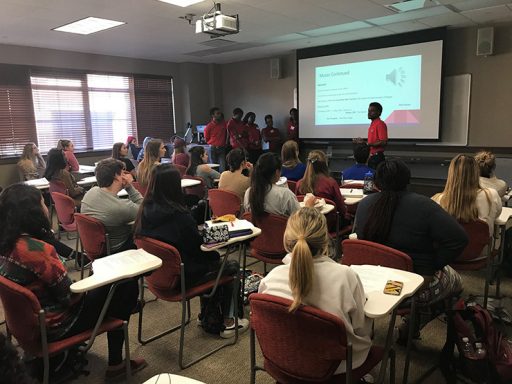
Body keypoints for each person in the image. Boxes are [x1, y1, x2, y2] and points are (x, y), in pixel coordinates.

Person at [0, 184, 146, 380]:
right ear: (32, 212)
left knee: (113, 289)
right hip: (58, 324)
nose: (46, 207)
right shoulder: (37, 251)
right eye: (43, 203)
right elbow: (70, 298)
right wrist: (94, 286)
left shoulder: (7, 244)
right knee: (123, 285)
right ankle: (116, 364)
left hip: (28, 323)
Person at [355, 159, 468, 337]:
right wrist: (434, 264)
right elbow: (459, 239)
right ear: (408, 181)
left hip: (373, 284)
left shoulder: (364, 205)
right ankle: (410, 329)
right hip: (413, 287)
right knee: (457, 283)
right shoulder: (425, 206)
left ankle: (408, 329)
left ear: (376, 183)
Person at [134, 164, 248, 338]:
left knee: (215, 263)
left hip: (159, 276)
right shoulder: (179, 216)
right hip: (182, 276)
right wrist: (221, 235)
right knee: (230, 265)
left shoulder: (144, 211)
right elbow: (200, 247)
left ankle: (208, 316)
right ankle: (229, 321)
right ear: (174, 186)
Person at [258, 207, 371, 374]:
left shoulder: (270, 279)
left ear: (287, 239)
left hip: (284, 358)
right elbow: (361, 329)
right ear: (325, 240)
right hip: (336, 366)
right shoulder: (345, 277)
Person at [81, 158, 143, 253]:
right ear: (117, 177)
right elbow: (143, 210)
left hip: (95, 247)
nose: (125, 175)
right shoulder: (121, 207)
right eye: (122, 173)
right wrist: (129, 187)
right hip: (118, 249)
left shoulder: (90, 192)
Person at [432, 154, 502, 237]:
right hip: (480, 248)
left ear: (451, 174)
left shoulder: (436, 200)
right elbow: (497, 214)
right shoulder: (490, 195)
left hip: (447, 248)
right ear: (476, 173)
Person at [244, 152, 309, 221]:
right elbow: (301, 221)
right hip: (284, 231)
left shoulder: (249, 192)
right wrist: (308, 207)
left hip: (258, 231)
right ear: (277, 172)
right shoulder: (285, 195)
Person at [297, 150, 348, 220]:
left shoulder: (299, 184)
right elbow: (342, 210)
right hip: (328, 225)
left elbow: (296, 207)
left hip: (306, 223)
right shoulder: (331, 183)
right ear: (325, 164)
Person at [353, 102, 388, 170]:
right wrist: (363, 142)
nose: (369, 113)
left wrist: (367, 144)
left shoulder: (380, 124)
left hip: (377, 158)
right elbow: (372, 142)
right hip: (371, 157)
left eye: (372, 111)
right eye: (369, 111)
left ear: (379, 113)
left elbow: (383, 142)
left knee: (375, 179)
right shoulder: (373, 124)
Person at [204, 107, 227, 172]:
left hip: (222, 148)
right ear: (213, 115)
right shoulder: (209, 126)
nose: (220, 114)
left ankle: (221, 181)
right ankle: (214, 182)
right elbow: (206, 139)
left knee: (223, 167)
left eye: (220, 113)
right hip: (212, 148)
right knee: (213, 167)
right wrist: (213, 143)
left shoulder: (223, 124)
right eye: (217, 113)